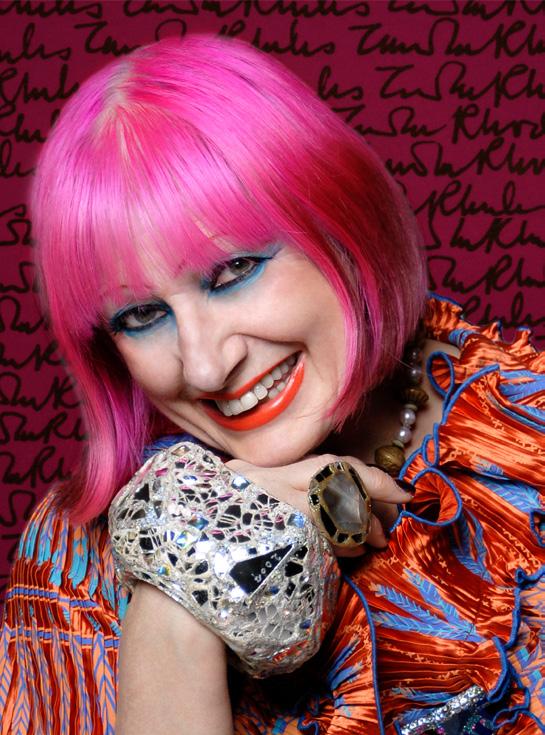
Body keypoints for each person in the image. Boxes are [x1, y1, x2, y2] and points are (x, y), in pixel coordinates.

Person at [0, 35, 543, 735]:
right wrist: (177, 600)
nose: (204, 366)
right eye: (142, 316)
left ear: (340, 223)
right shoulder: (71, 567)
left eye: (232, 271)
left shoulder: (522, 440)